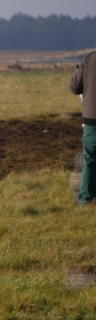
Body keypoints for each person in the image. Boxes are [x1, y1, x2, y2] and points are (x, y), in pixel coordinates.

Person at [69, 51, 96, 205]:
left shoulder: (90, 59)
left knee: (90, 160)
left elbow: (74, 87)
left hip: (92, 120)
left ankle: (86, 199)